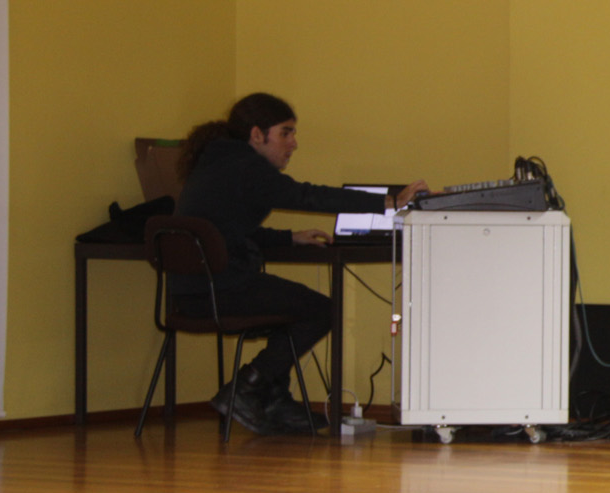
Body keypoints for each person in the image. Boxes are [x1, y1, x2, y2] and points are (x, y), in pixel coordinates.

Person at [175, 93, 428, 436]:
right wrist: (390, 201)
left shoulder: (219, 163)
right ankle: (245, 389)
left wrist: (289, 237)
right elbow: (308, 195)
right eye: (286, 133)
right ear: (256, 135)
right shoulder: (246, 167)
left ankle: (274, 399)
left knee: (293, 310)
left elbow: (227, 230)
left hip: (193, 292)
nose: (294, 143)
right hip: (222, 289)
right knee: (321, 309)